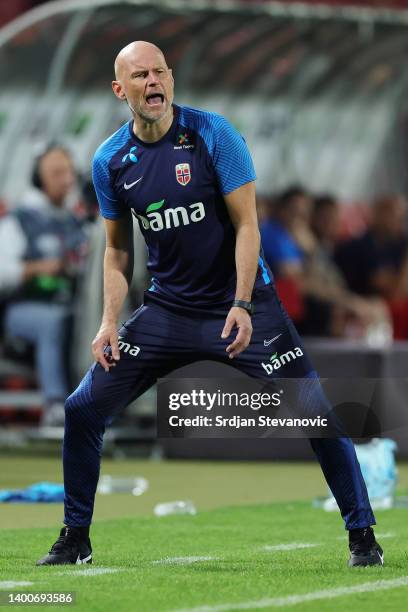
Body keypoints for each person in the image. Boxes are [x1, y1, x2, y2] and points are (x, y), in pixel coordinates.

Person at [36, 41, 383, 567]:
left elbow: (249, 227)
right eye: (140, 76)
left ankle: (363, 537)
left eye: (159, 73)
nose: (152, 83)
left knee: (317, 414)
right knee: (82, 409)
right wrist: (109, 321)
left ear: (171, 79)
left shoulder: (213, 134)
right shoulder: (110, 160)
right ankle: (75, 539)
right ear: (119, 89)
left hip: (243, 308)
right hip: (167, 313)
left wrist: (242, 303)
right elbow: (116, 250)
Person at [0, 145, 89, 426]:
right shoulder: (19, 219)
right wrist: (38, 268)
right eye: (57, 173)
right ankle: (55, 405)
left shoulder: (75, 222)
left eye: (68, 173)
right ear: (39, 178)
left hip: (68, 305)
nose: (66, 180)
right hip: (21, 310)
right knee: (54, 321)